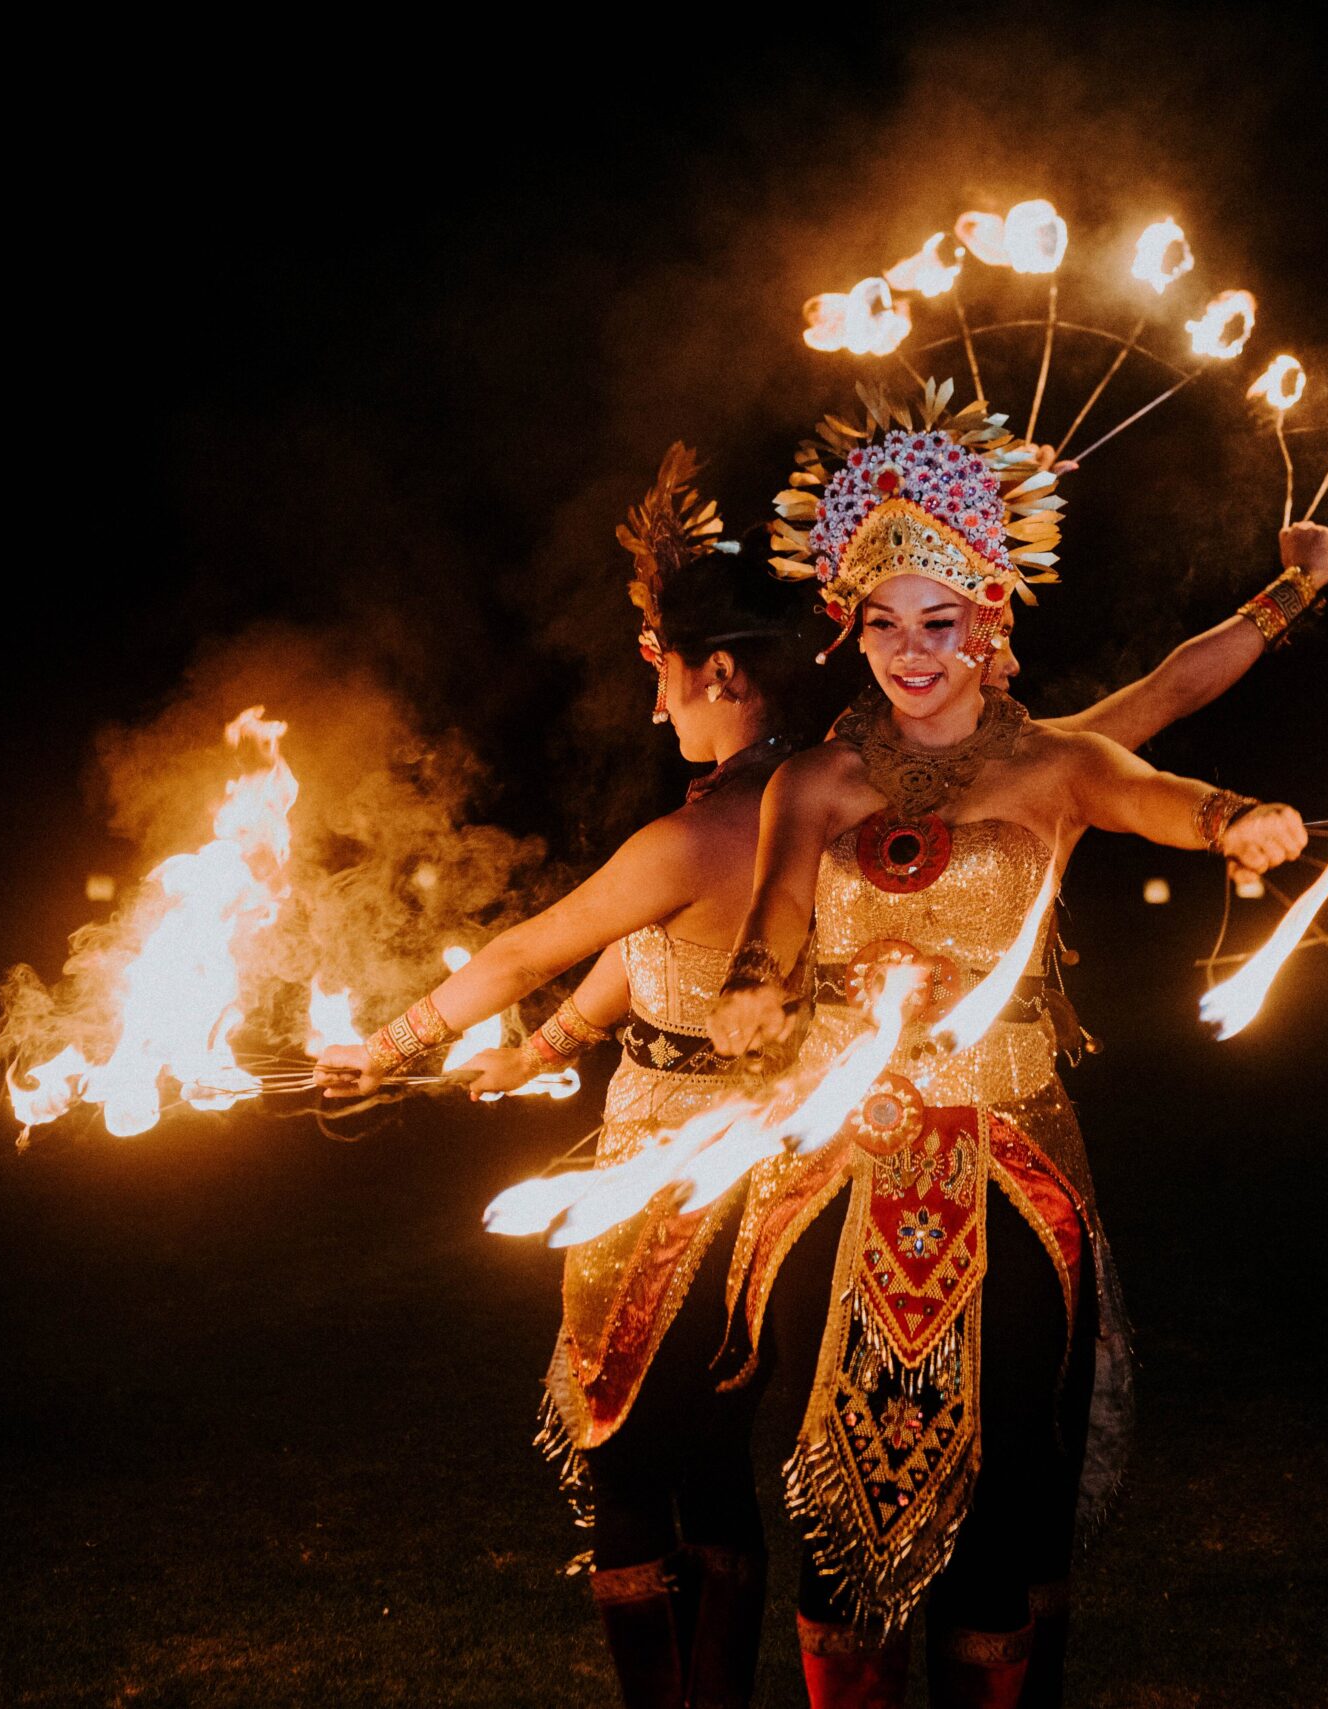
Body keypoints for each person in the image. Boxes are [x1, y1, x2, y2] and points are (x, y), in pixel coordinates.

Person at [702, 383, 1313, 1706]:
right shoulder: (810, 782)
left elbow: (1156, 781)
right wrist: (755, 993)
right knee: (830, 1485)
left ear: (993, 622)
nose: (913, 652)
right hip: (835, 1177)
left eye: (942, 621)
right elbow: (772, 927)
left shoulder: (1053, 764)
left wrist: (1233, 816)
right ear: (849, 628)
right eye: (884, 624)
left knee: (999, 1490)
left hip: (1010, 1172)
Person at [318, 446, 841, 1708]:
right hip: (726, 1161)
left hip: (681, 1179)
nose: (652, 699)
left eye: (658, 667)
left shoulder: (705, 826)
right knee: (706, 1459)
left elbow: (528, 945)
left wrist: (383, 1050)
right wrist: (541, 1049)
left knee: (630, 1464)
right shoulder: (782, 802)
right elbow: (634, 956)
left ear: (718, 670)